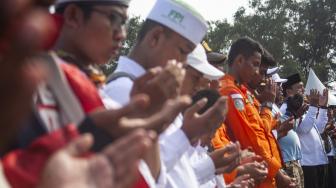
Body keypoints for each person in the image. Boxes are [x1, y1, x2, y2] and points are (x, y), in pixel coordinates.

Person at [218, 37, 295, 188]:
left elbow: (261, 130)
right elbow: (252, 140)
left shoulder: (244, 93)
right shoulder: (230, 92)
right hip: (257, 176)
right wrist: (276, 173)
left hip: (265, 173)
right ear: (239, 60)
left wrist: (277, 124)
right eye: (255, 65)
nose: (257, 72)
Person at [281, 73, 329, 188]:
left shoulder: (302, 106)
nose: (303, 89)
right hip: (307, 163)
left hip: (317, 161)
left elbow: (320, 128)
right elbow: (303, 129)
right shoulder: (285, 108)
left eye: (303, 87)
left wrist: (323, 107)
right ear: (288, 91)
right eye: (299, 87)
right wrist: (313, 106)